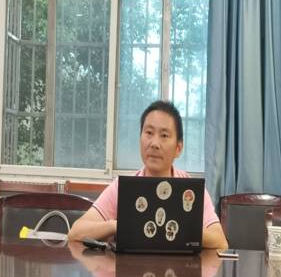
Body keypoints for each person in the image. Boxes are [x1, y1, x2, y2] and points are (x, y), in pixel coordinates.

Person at [69, 100, 228, 249]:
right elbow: (76, 232)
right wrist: (117, 225)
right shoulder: (124, 186)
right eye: (149, 132)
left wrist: (181, 229)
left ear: (178, 148)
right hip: (132, 269)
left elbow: (220, 242)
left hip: (180, 269)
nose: (154, 143)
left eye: (164, 135)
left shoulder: (190, 190)